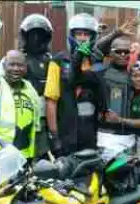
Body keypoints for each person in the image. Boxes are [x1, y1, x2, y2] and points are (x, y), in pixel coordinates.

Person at [0, 14, 54, 159]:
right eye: (32, 35)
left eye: (40, 35)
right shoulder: (17, 58)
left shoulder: (51, 60)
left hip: (45, 120)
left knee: (42, 157)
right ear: (25, 37)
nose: (36, 39)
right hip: (19, 115)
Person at [44, 13, 107, 156]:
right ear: (72, 35)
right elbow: (51, 102)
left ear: (93, 37)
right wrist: (54, 137)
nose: (83, 38)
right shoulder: (58, 61)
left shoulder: (97, 61)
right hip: (66, 133)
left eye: (87, 34)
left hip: (90, 134)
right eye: (79, 33)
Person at [0, 50, 41, 161]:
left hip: (24, 156)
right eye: (12, 64)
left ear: (26, 68)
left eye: (20, 65)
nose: (16, 69)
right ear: (4, 66)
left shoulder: (30, 89)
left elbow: (36, 124)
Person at [100, 58, 140, 160]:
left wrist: (120, 120)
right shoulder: (128, 91)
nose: (138, 79)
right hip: (137, 141)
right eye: (135, 76)